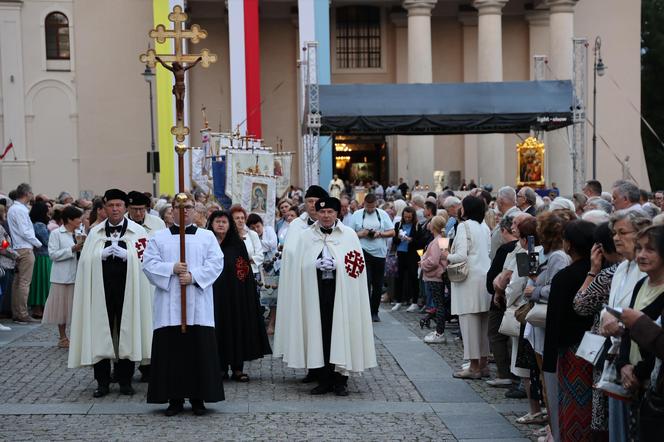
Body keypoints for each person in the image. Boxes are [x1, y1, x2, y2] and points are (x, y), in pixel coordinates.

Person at [284, 196, 377, 395]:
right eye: (322, 212)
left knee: (340, 331)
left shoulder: (349, 235)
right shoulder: (306, 236)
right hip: (315, 291)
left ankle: (340, 380)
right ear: (316, 213)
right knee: (320, 331)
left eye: (330, 212)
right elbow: (298, 266)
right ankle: (323, 378)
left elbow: (357, 267)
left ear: (337, 214)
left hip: (341, 292)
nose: (326, 216)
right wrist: (312, 266)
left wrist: (339, 266)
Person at [142, 193, 225, 416]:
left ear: (194, 210)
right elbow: (148, 264)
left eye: (188, 207)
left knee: (199, 352)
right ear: (171, 211)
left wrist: (194, 276)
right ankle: (174, 399)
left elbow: (216, 263)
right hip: (169, 306)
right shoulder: (159, 238)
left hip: (198, 305)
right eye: (179, 207)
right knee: (172, 353)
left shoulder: (206, 237)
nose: (184, 211)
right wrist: (171, 269)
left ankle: (199, 398)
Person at [68, 189, 152, 398]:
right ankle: (103, 382)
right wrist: (99, 255)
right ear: (104, 208)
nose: (115, 209)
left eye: (119, 205)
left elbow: (147, 261)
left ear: (125, 208)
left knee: (127, 331)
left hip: (128, 291)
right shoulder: (96, 233)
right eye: (111, 205)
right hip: (101, 291)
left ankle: (125, 381)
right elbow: (85, 261)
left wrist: (129, 255)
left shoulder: (138, 232)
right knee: (100, 334)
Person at [599, 209, 650, 442]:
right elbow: (610, 304)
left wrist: (620, 324)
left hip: (639, 355)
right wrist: (605, 317)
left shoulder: (647, 270)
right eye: (614, 233)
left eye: (622, 232)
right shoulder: (621, 267)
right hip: (618, 355)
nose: (616, 238)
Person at [543, 220, 596, 441]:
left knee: (572, 405)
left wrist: (549, 359)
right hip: (595, 348)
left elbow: (554, 321)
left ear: (569, 244)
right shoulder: (600, 273)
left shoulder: (565, 277)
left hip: (572, 351)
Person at [273, 184, 328, 383]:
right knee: (306, 326)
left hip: (324, 284)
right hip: (302, 285)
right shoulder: (297, 225)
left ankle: (328, 369)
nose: (312, 205)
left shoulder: (328, 223)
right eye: (309, 201)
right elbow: (290, 253)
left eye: (315, 201)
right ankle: (312, 368)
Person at [614, 225, 664, 440]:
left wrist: (638, 372)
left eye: (650, 250)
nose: (641, 255)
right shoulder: (642, 283)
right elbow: (628, 329)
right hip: (635, 379)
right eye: (639, 249)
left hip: (652, 381)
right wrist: (623, 364)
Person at [208, 211, 271, 382]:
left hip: (235, 294)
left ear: (230, 225)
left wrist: (244, 291)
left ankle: (237, 368)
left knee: (236, 328)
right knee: (217, 329)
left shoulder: (237, 245)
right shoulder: (207, 243)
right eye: (217, 221)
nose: (221, 225)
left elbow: (244, 270)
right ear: (211, 224)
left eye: (224, 222)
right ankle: (220, 367)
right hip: (213, 295)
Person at [443, 196, 492, 379]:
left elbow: (461, 256)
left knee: (469, 323)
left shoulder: (464, 226)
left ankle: (473, 366)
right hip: (484, 276)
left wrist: (447, 255)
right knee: (483, 323)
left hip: (469, 279)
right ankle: (484, 363)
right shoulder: (485, 226)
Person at [42, 206, 83, 348]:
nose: (80, 220)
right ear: (69, 220)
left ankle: (77, 336)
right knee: (62, 309)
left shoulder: (80, 233)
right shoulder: (56, 234)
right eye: (78, 218)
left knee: (76, 307)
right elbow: (52, 254)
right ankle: (63, 337)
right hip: (62, 276)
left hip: (78, 274)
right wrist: (72, 249)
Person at [350, 193, 395, 322]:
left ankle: (374, 311)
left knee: (378, 284)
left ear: (376, 204)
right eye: (367, 206)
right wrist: (362, 233)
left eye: (372, 207)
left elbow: (392, 232)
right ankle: (365, 311)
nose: (370, 209)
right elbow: (349, 234)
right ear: (363, 204)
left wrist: (380, 234)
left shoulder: (382, 214)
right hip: (362, 252)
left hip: (380, 254)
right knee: (366, 282)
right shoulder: (357, 215)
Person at [7, 183, 42, 324]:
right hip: (24, 248)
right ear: (27, 194)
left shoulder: (14, 209)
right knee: (24, 283)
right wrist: (37, 243)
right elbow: (25, 231)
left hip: (17, 247)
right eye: (31, 193)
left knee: (17, 282)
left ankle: (17, 312)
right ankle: (22, 313)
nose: (32, 195)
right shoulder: (19, 210)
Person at [246, 213, 279, 334]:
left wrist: (258, 243)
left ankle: (272, 323)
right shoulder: (249, 235)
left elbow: (272, 244)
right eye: (252, 228)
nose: (255, 229)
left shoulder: (269, 230)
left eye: (258, 226)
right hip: (257, 268)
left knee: (272, 296)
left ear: (262, 224)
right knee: (260, 295)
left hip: (271, 266)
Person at [420, 215, 449, 343]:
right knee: (440, 304)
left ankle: (439, 333)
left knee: (438, 305)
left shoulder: (437, 241)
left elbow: (434, 261)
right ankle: (439, 331)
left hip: (435, 277)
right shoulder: (442, 239)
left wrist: (422, 264)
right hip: (439, 275)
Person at [391, 207, 423, 312]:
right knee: (399, 278)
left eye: (409, 217)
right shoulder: (398, 225)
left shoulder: (417, 226)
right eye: (405, 217)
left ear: (413, 216)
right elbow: (394, 240)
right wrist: (399, 238)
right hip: (400, 253)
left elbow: (420, 243)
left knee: (413, 277)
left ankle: (414, 301)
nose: (407, 219)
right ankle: (399, 301)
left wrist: (411, 240)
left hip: (412, 255)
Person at [27, 201, 51, 319]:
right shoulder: (40, 225)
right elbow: (47, 241)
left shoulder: (33, 223)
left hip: (39, 255)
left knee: (38, 283)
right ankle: (38, 309)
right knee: (43, 282)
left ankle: (38, 308)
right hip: (43, 256)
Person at [230, 206, 263, 280]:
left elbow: (260, 256)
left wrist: (245, 261)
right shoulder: (229, 237)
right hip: (233, 274)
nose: (240, 220)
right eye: (237, 218)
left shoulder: (252, 234)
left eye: (242, 218)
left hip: (252, 273)